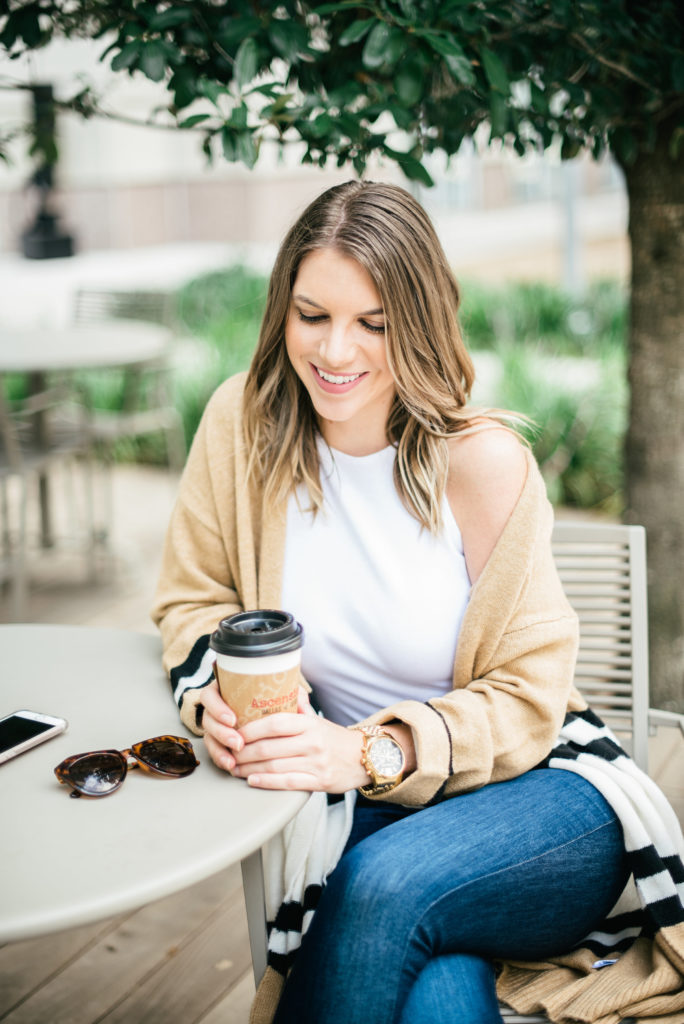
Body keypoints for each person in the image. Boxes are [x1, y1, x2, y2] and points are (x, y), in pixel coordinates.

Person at [152, 180, 684, 1024]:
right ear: (281, 312)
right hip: (357, 812)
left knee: (382, 884)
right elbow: (192, 599)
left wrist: (369, 753)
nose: (335, 351)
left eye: (375, 324)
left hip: (540, 798)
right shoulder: (243, 425)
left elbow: (531, 697)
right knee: (435, 990)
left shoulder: (481, 464)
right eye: (312, 314)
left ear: (421, 322)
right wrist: (212, 690)